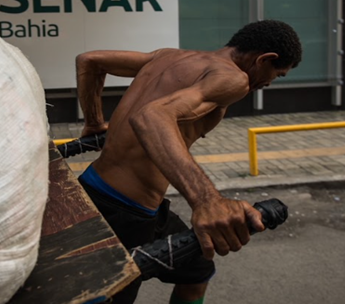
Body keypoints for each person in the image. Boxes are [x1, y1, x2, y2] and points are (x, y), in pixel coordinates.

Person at [75, 20, 302, 304]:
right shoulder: (234, 79)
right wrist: (207, 201)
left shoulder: (168, 56)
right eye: (276, 75)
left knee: (196, 272)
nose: (268, 83)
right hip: (125, 213)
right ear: (265, 59)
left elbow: (90, 61)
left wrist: (94, 122)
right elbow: (151, 117)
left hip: (100, 189)